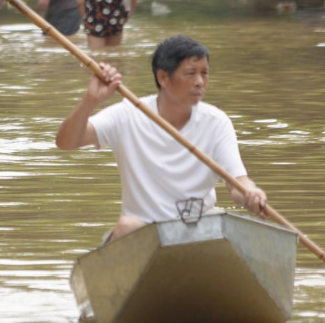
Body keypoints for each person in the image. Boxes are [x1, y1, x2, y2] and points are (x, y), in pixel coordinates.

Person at [55, 35, 269, 243]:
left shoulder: (216, 122)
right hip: (144, 233)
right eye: (190, 73)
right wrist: (90, 101)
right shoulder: (128, 114)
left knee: (224, 224)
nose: (199, 82)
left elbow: (237, 184)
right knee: (128, 226)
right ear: (163, 78)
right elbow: (66, 142)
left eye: (204, 73)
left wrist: (251, 193)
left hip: (197, 228)